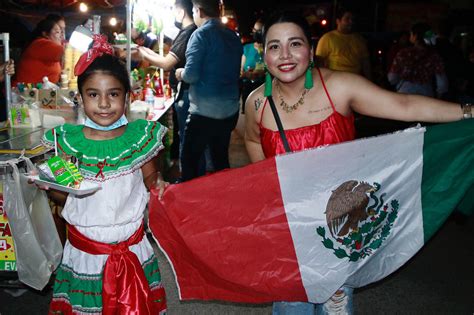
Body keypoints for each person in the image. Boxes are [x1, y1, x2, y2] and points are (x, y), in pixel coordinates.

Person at [244, 11, 468, 315]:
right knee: (290, 307)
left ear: (310, 50)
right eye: (274, 46)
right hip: (290, 233)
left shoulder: (339, 87)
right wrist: (265, 192)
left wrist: (468, 112)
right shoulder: (257, 102)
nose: (285, 55)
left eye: (294, 44)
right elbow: (254, 140)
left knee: (335, 308)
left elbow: (403, 104)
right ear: (264, 53)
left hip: (338, 227)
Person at [39, 35, 168, 314]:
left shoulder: (139, 139)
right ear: (80, 98)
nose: (104, 103)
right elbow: (66, 196)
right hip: (86, 252)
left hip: (131, 247)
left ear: (127, 96)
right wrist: (49, 185)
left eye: (113, 94)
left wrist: (159, 186)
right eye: (93, 94)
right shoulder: (68, 143)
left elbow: (150, 179)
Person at [175, 0, 242, 182]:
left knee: (189, 161)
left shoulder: (200, 35)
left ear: (198, 10)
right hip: (229, 111)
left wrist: (180, 73)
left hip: (204, 113)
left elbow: (191, 75)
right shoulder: (232, 36)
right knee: (220, 158)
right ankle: (221, 197)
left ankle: (191, 200)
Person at [136, 0, 197, 164]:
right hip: (185, 92)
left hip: (187, 92)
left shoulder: (188, 33)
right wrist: (147, 51)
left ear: (181, 12)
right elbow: (167, 59)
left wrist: (144, 55)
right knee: (183, 136)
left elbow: (166, 64)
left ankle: (187, 178)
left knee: (186, 138)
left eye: (174, 11)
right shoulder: (187, 32)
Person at [388, 23, 448, 98]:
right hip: (426, 95)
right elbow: (442, 84)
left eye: (411, 34)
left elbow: (392, 78)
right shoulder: (434, 56)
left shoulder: (403, 53)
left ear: (415, 36)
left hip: (404, 95)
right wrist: (438, 95)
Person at [315, 8, 372, 80]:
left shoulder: (359, 39)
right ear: (338, 21)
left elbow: (366, 62)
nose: (351, 22)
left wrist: (369, 80)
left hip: (355, 79)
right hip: (335, 79)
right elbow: (319, 61)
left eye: (352, 19)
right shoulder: (327, 38)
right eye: (347, 19)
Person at [15, 18, 64, 85]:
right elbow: (64, 52)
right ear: (45, 34)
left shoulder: (50, 50)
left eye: (61, 32)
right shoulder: (40, 44)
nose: (61, 35)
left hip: (40, 92)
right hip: (23, 92)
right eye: (57, 32)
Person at [240, 19, 265, 112]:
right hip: (248, 86)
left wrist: (262, 72)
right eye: (254, 30)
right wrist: (246, 74)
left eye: (259, 31)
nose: (255, 33)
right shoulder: (247, 48)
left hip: (263, 87)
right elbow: (241, 70)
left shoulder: (269, 49)